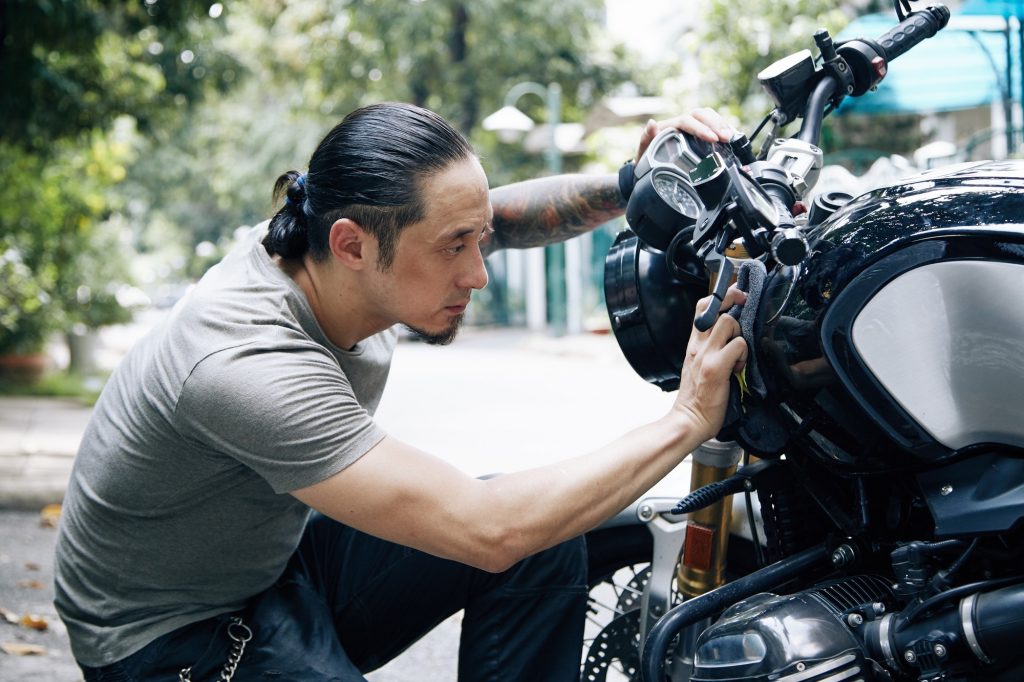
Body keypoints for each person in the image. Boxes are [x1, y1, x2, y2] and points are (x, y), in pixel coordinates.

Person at [54, 102, 747, 681]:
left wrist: (638, 182)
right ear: (352, 245)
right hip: (165, 634)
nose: (477, 272)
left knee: (549, 536)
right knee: (514, 532)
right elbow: (488, 529)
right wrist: (687, 417)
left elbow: (499, 216)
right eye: (454, 248)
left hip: (269, 562)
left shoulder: (337, 250)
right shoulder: (247, 363)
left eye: (475, 241)